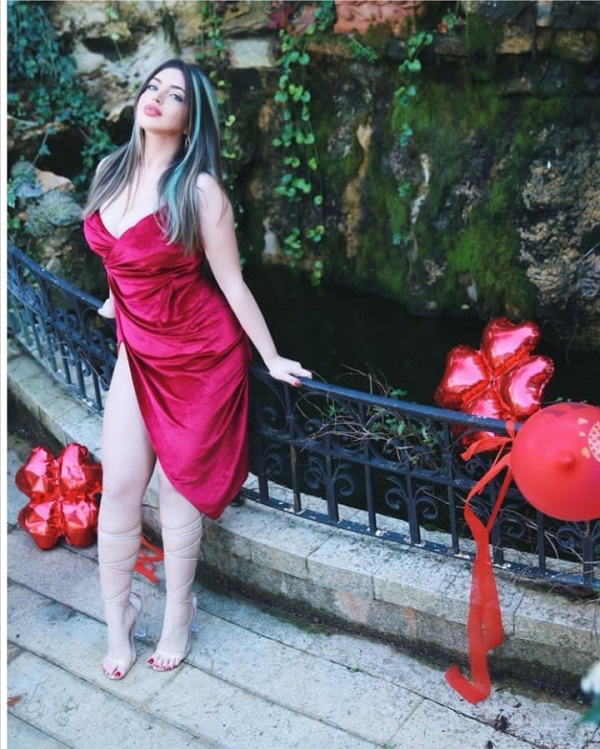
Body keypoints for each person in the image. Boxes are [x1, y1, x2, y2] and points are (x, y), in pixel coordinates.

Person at [82, 58, 311, 680]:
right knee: (119, 488)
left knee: (175, 493)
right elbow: (117, 255)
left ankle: (177, 614)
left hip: (199, 355)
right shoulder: (108, 170)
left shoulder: (199, 189)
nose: (156, 97)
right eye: (152, 86)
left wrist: (271, 357)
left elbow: (231, 282)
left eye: (175, 95)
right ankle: (118, 619)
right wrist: (116, 299)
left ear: (191, 119)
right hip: (138, 350)